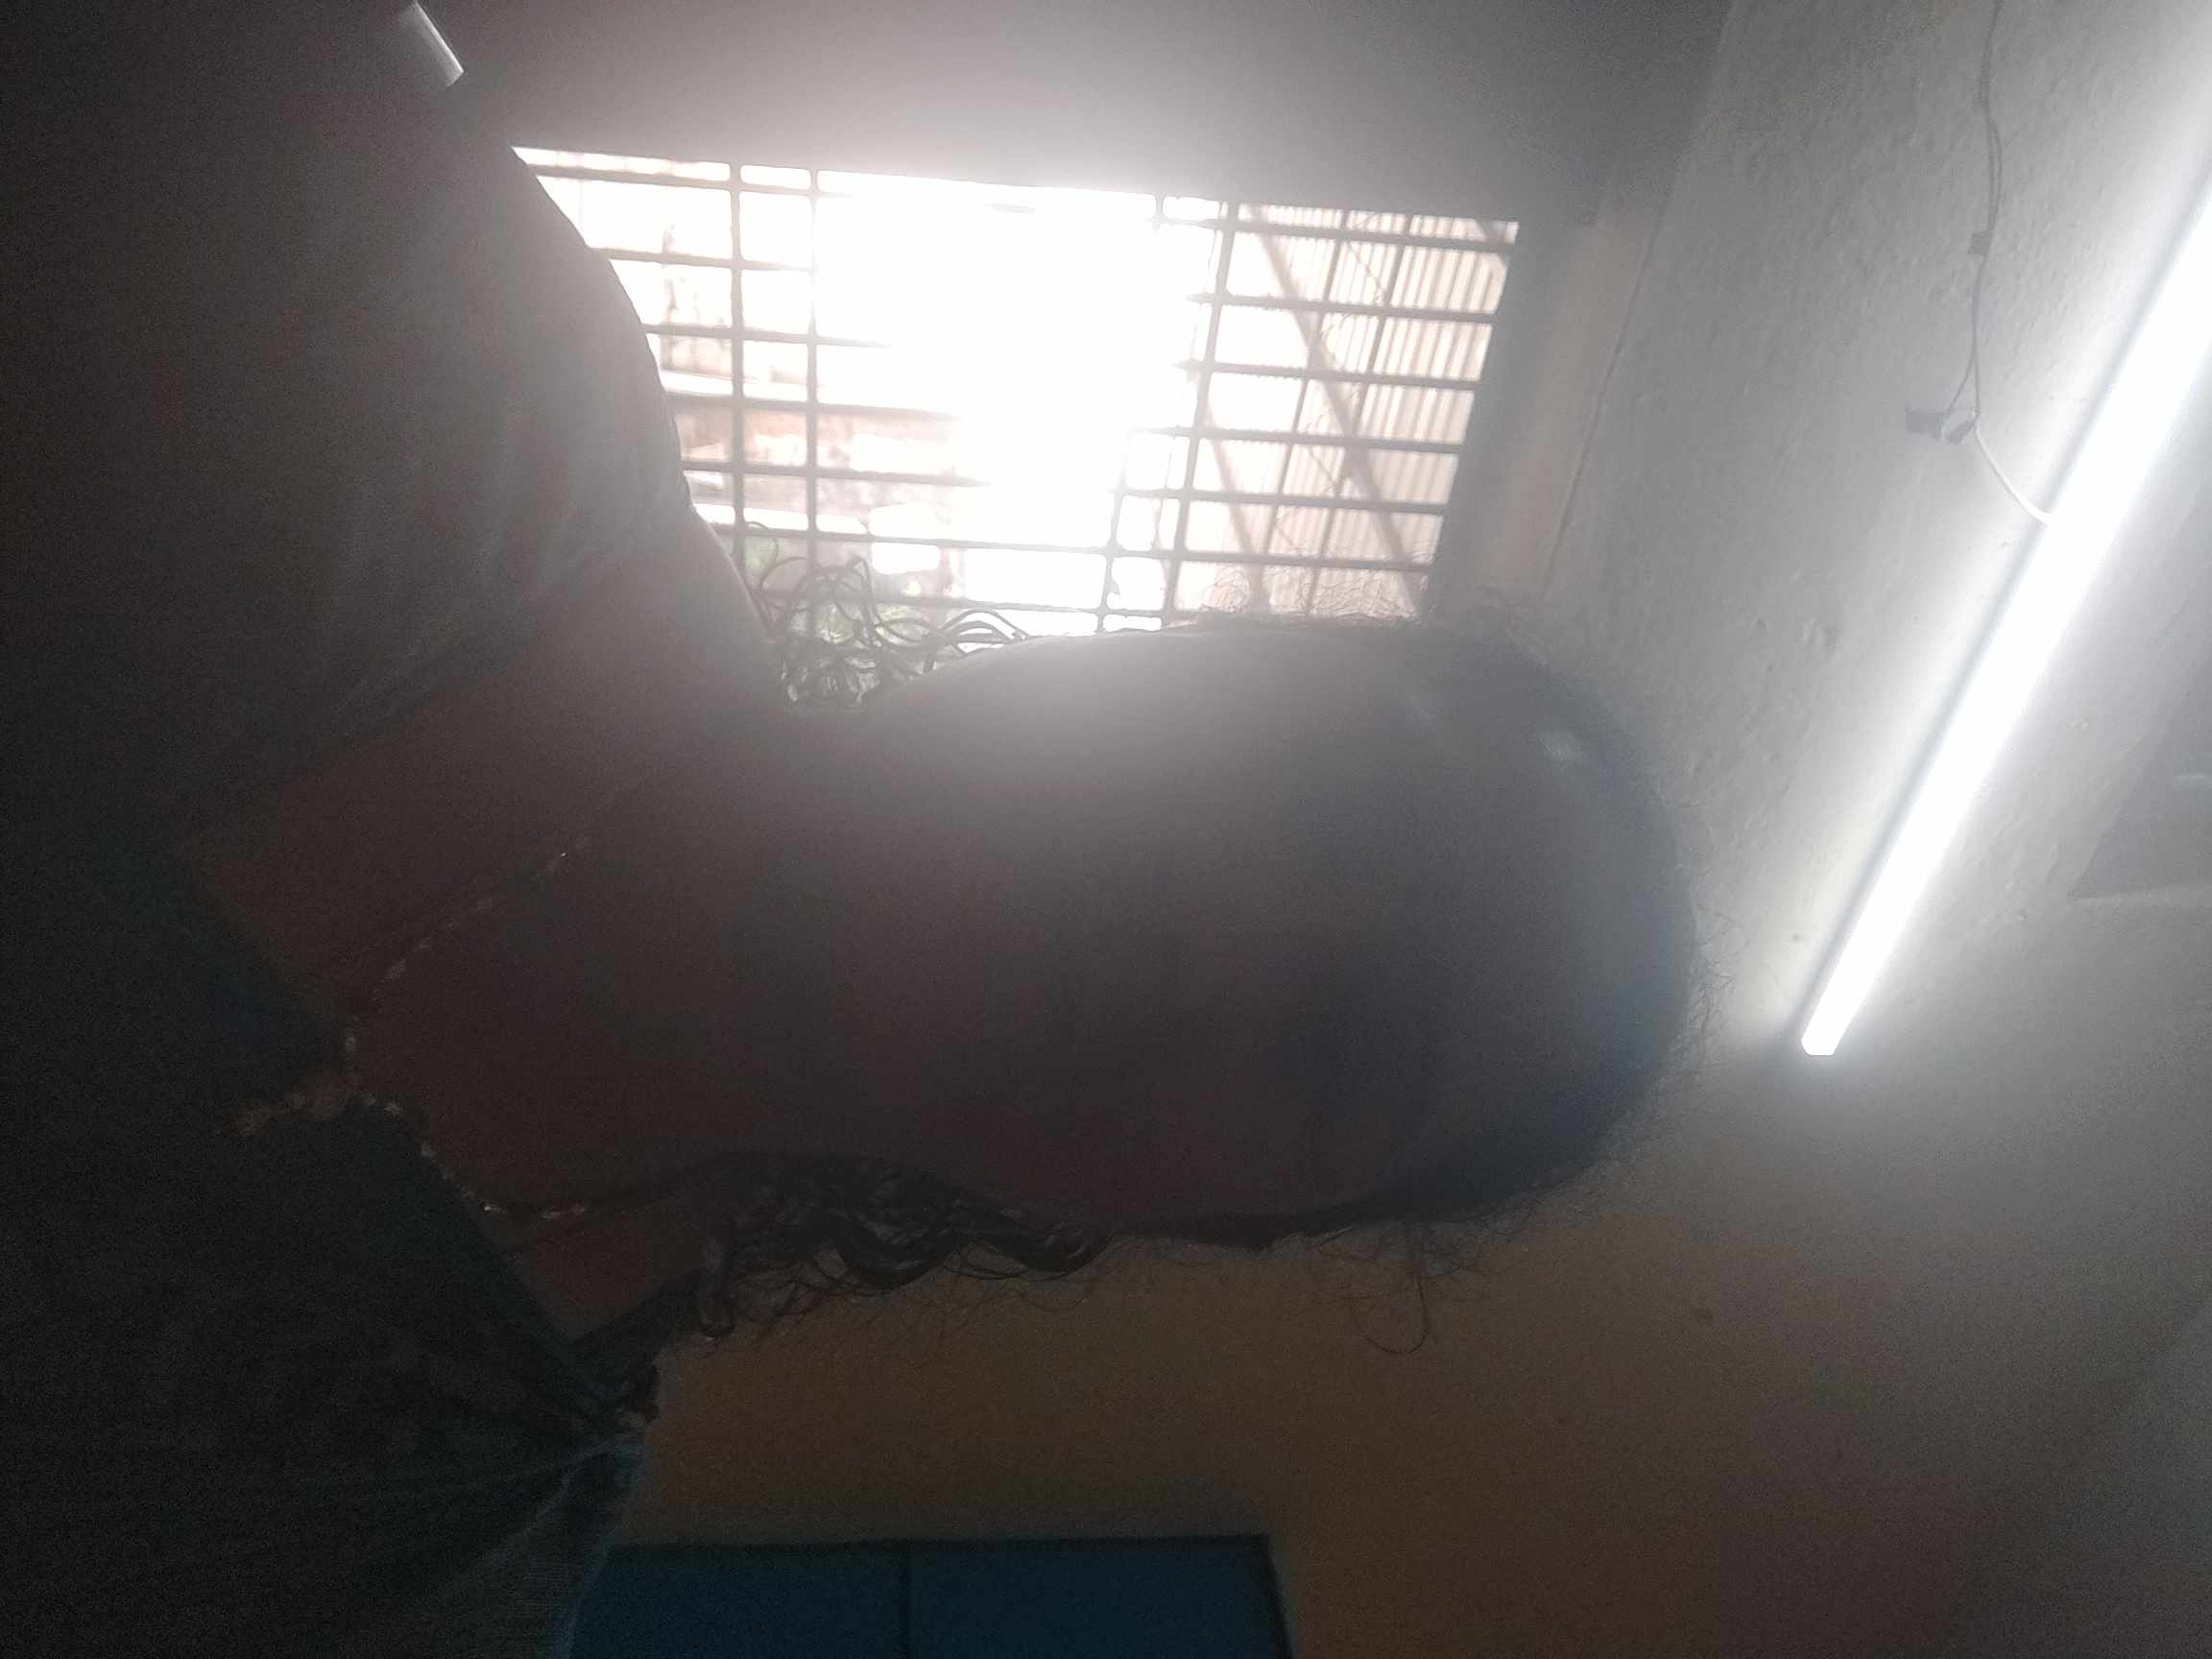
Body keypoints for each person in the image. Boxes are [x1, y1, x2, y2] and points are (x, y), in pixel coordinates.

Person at [3, 7, 1695, 1653]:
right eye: (1316, 786)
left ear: (1204, 1221)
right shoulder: (411, 330)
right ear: (1176, 649)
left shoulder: (428, 1530)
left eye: (1333, 1048)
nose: (1222, 937)